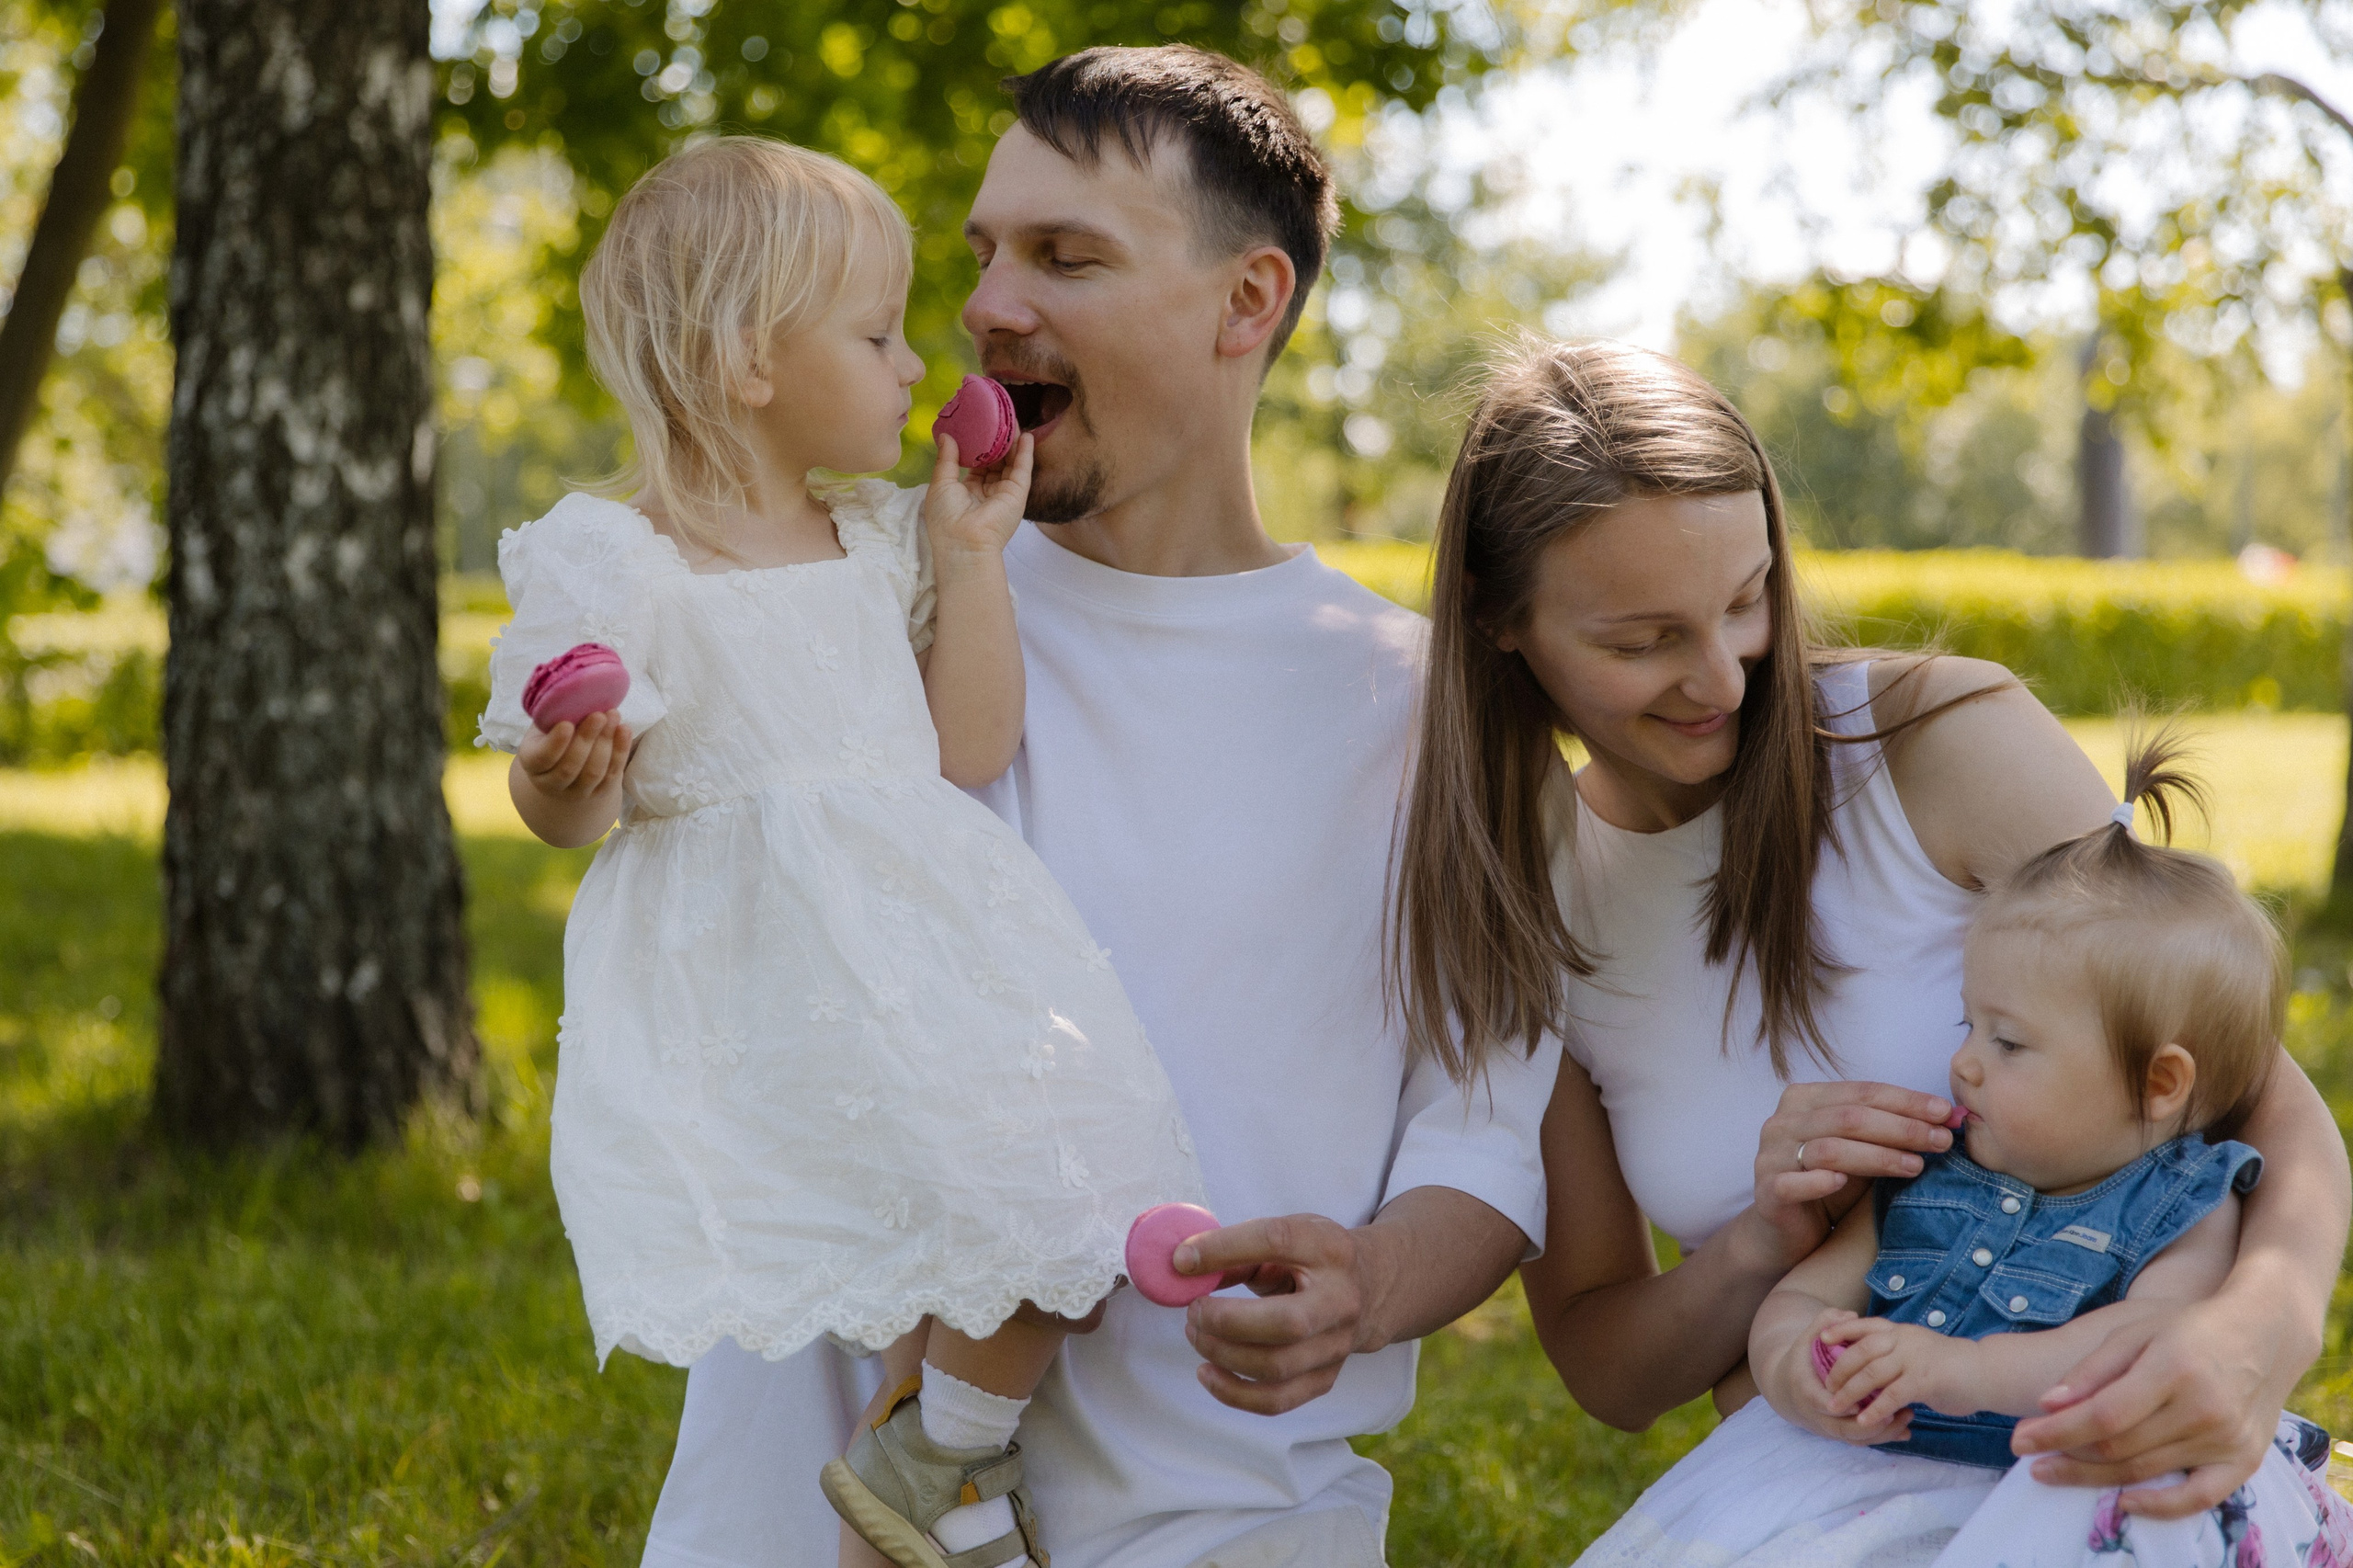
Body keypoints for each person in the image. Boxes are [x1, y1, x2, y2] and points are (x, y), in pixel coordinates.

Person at [639, 47, 1559, 1568]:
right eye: (985, 253)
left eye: (1067, 257)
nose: (991, 306)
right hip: (810, 1510)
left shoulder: (1429, 714)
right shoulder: (846, 604)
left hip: (1225, 1519)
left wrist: (1374, 1285)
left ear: (1246, 301)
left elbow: (1487, 1134)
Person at [1390, 339, 2352, 1559]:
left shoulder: (1935, 745)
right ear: (1497, 617)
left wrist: (2254, 1334)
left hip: (2096, 1455)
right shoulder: (1536, 902)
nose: (1720, 675)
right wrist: (1765, 1242)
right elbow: (1610, 1367)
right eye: (1639, 641)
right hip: (1815, 1500)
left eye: (1747, 599)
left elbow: (2260, 1093)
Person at [475, 136, 1206, 1568]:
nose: (915, 365)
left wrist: (972, 554)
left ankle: (917, 1465)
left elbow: (967, 746)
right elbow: (569, 805)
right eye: (876, 336)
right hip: (774, 984)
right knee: (969, 1230)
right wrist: (564, 774)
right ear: (750, 360)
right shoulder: (616, 557)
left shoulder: (878, 536)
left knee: (1068, 1205)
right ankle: (937, 1482)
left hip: (927, 947)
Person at [1573, 736, 2353, 1565]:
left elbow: (2141, 1340)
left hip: (2067, 1479)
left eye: (2008, 1043)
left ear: (2158, 1083)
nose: (1965, 1062)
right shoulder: (1931, 1175)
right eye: (1967, 1024)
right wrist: (1796, 1363)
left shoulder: (2185, 1202)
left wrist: (1961, 1372)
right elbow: (1803, 1296)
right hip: (1863, 1473)